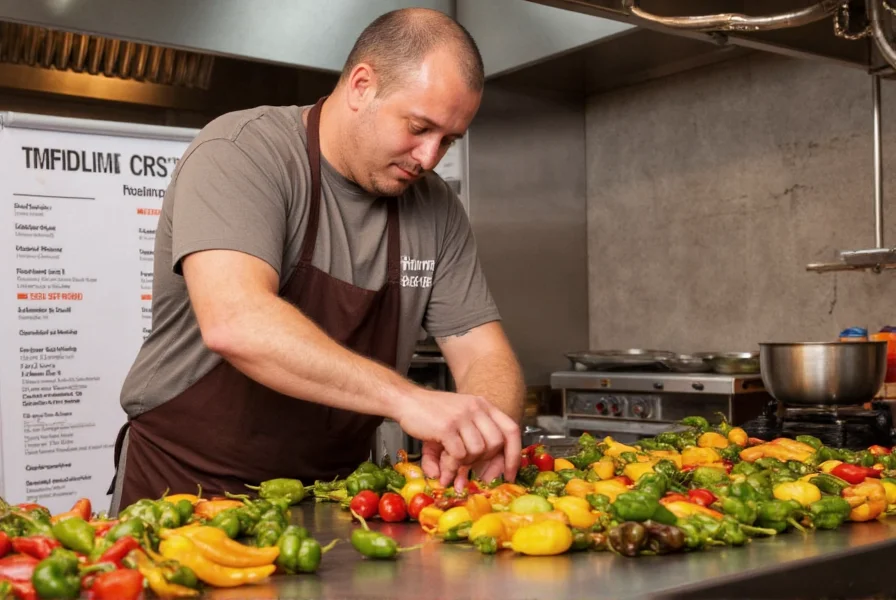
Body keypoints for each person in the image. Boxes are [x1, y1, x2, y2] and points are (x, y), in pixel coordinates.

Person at [109, 7, 525, 514]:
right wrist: (409, 400)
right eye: (419, 127)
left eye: (449, 140)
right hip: (184, 489)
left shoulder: (436, 208)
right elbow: (237, 322)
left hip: (337, 499)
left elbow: (485, 355)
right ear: (361, 86)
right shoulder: (243, 153)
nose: (429, 157)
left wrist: (480, 431)